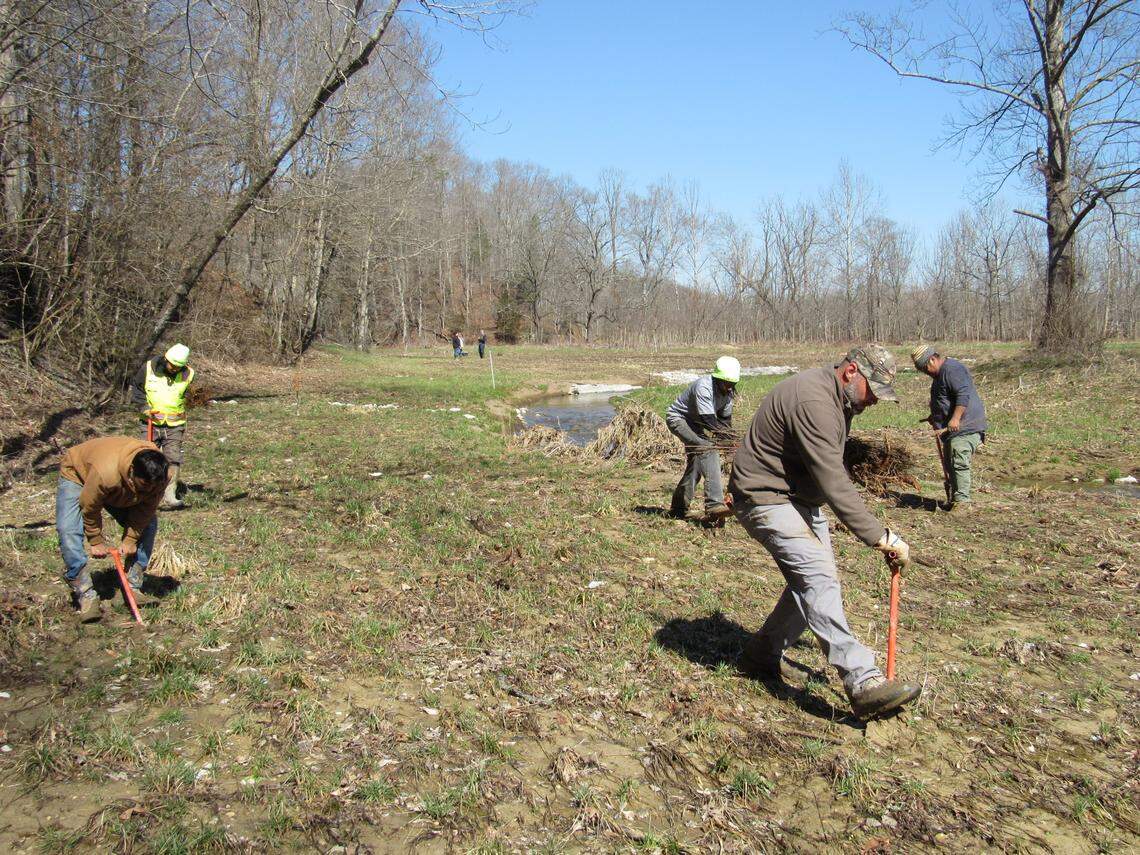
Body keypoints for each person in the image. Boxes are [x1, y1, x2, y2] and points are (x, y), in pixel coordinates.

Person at [729, 344, 920, 720]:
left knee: (815, 582)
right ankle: (863, 681)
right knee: (818, 580)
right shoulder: (813, 400)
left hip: (798, 499)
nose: (875, 402)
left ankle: (760, 656)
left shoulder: (836, 399)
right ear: (851, 371)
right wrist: (880, 535)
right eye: (874, 390)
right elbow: (834, 479)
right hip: (764, 498)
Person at [56, 436, 169, 622]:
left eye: (153, 488)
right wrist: (96, 540)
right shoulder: (105, 473)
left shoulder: (159, 476)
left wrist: (130, 539)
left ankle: (132, 586)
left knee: (149, 524)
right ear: (132, 472)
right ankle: (85, 592)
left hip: (120, 486)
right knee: (67, 529)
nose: (149, 492)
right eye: (145, 486)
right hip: (79, 474)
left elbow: (146, 509)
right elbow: (90, 506)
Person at [911, 345, 987, 510]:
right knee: (950, 463)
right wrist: (936, 416)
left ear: (932, 359)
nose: (925, 372)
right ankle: (954, 499)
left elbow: (963, 394)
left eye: (925, 368)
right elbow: (945, 399)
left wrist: (955, 418)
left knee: (958, 461)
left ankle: (962, 503)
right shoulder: (939, 376)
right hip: (953, 430)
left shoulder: (951, 369)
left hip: (965, 426)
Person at [665, 356, 739, 519]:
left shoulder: (728, 394)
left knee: (696, 464)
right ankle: (714, 504)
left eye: (731, 384)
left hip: (696, 423)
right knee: (708, 449)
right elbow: (710, 422)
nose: (727, 387)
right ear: (717, 378)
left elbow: (725, 422)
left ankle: (678, 509)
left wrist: (730, 444)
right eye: (725, 383)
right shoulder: (704, 386)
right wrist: (726, 441)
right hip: (679, 419)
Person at [131, 343, 194, 509]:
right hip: (150, 421)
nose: (174, 369)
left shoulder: (188, 374)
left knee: (173, 458)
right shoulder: (148, 369)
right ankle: (144, 494)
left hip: (175, 423)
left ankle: (169, 495)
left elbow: (187, 395)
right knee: (147, 457)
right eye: (172, 365)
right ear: (165, 358)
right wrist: (144, 408)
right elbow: (137, 389)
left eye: (178, 367)